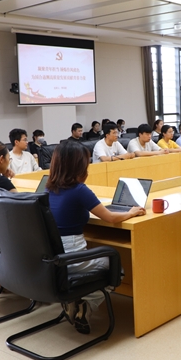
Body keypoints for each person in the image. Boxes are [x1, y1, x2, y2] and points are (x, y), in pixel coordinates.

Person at [46, 140, 145, 334]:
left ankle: (73, 301)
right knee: (116, 267)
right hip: (72, 257)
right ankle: (87, 304)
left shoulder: (48, 189)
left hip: (53, 258)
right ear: (78, 166)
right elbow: (110, 218)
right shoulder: (79, 190)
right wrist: (131, 212)